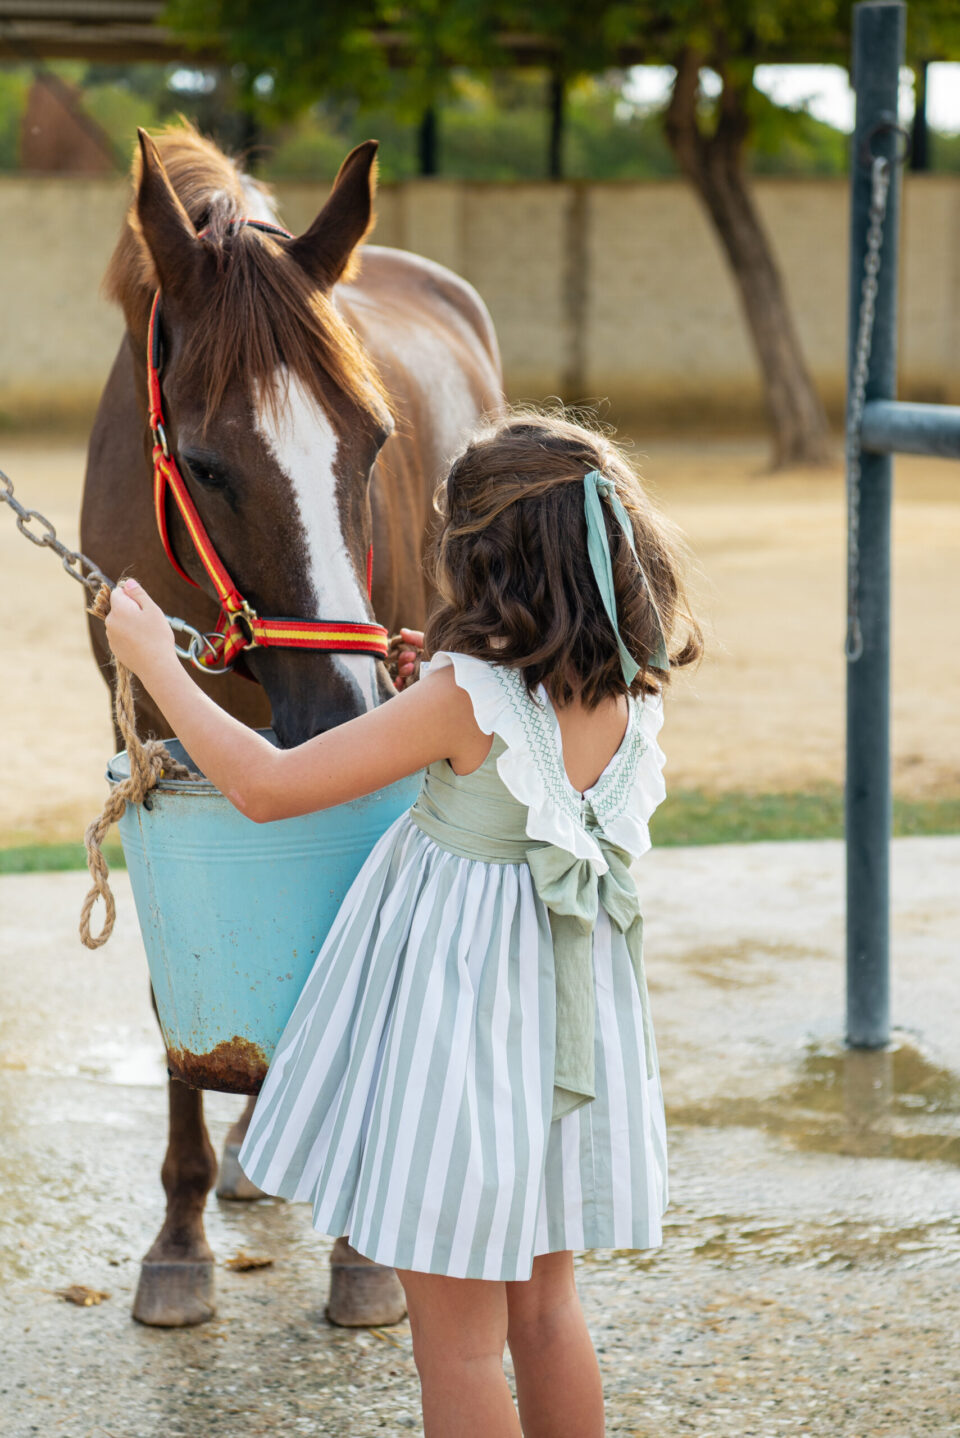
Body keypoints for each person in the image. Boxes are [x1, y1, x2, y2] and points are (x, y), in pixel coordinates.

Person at [104, 409, 702, 1438]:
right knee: (547, 1312)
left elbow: (267, 785)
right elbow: (514, 737)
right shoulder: (629, 687)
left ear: (490, 561)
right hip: (565, 1039)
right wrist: (445, 679)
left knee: (457, 1345)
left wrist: (158, 661)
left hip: (464, 1043)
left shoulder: (465, 697)